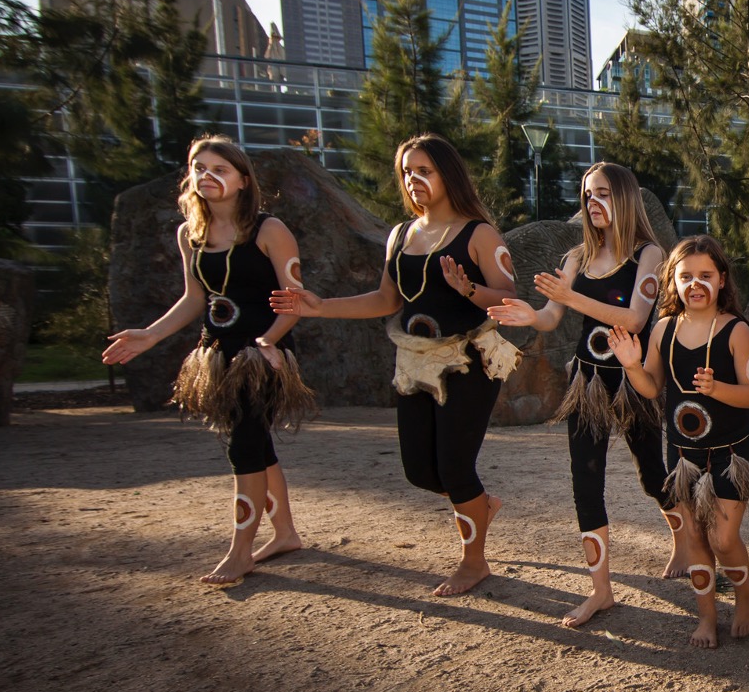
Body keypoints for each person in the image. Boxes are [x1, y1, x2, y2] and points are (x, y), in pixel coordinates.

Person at [271, 134, 518, 596]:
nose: (413, 179)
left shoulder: (479, 233)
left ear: (449, 175)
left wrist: (469, 291)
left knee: (454, 466)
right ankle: (480, 505)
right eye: (407, 171)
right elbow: (386, 299)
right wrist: (319, 306)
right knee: (419, 471)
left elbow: (509, 297)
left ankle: (473, 561)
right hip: (415, 364)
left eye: (424, 170)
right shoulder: (401, 235)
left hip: (468, 363)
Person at [103, 136, 315, 588]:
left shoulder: (269, 230)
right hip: (217, 354)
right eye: (199, 167)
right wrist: (149, 335)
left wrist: (267, 344)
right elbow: (194, 298)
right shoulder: (191, 233)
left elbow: (294, 302)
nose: (207, 176)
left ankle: (240, 552)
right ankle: (285, 534)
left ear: (242, 179)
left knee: (243, 447)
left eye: (219, 168)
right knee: (255, 444)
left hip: (264, 358)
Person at [489, 162, 667, 626]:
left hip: (632, 381)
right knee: (585, 481)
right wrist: (532, 317)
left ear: (624, 198)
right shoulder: (576, 258)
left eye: (603, 192)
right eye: (587, 193)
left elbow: (631, 320)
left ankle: (685, 540)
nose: (592, 201)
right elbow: (552, 316)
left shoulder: (648, 255)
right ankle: (601, 590)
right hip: (586, 384)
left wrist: (570, 299)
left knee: (653, 475)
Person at [608, 235, 749, 648]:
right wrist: (630, 365)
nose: (695, 284)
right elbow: (651, 387)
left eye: (705, 275)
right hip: (682, 456)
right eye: (685, 276)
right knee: (694, 537)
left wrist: (718, 390)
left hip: (729, 456)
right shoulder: (664, 329)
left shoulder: (736, 331)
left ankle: (744, 596)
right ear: (672, 282)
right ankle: (707, 618)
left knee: (723, 539)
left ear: (722, 279)